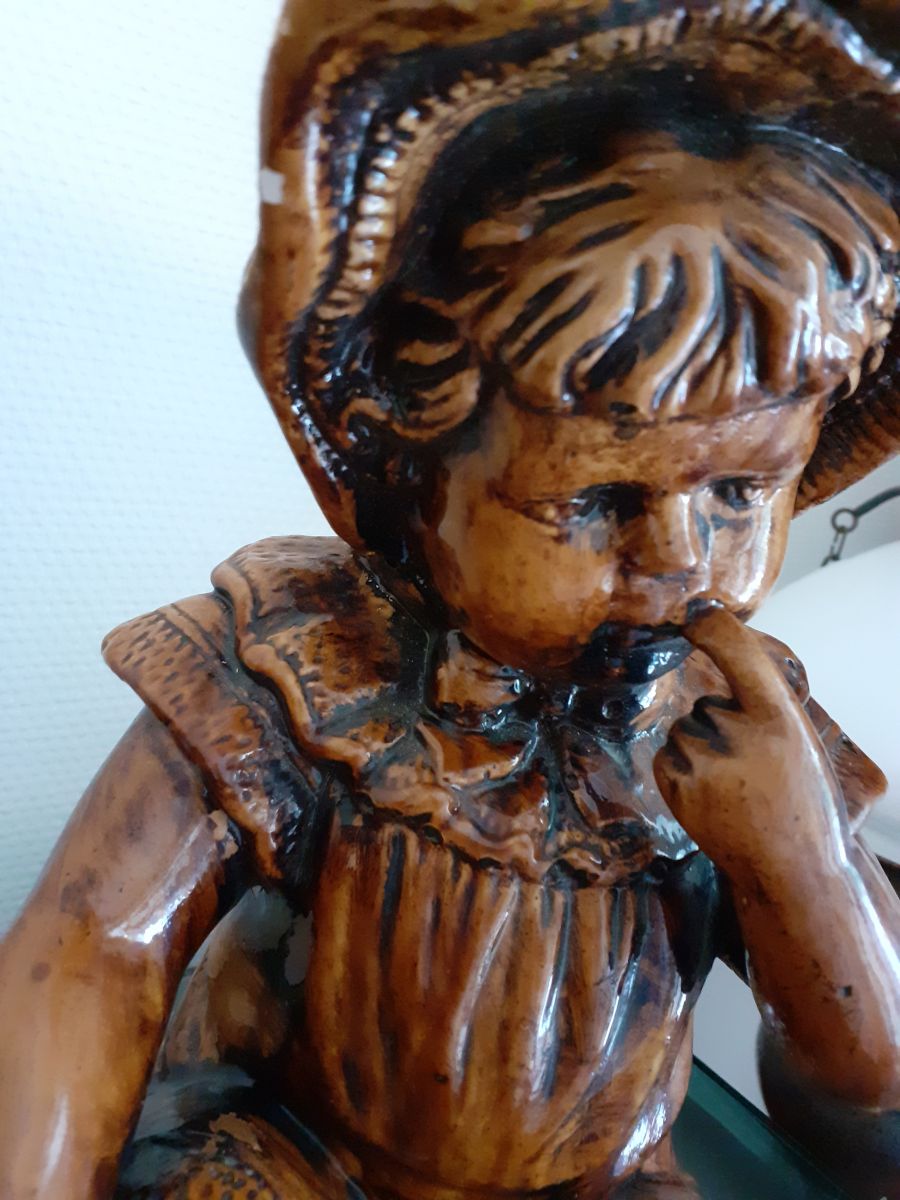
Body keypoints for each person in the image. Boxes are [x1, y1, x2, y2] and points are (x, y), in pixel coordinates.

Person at [1, 2, 898, 1197]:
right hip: (302, 1169)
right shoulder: (288, 672)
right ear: (418, 470)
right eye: (595, 501)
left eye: (743, 491)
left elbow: (863, 1102)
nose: (684, 564)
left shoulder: (739, 730)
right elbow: (91, 956)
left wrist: (802, 864)